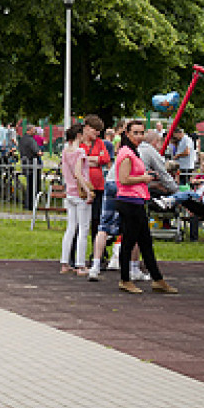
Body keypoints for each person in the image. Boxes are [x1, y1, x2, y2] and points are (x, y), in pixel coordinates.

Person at [114, 120, 177, 295]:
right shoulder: (126, 153)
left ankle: (157, 279)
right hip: (129, 201)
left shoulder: (132, 151)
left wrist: (144, 177)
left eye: (141, 133)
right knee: (129, 242)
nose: (139, 136)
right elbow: (124, 179)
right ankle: (125, 279)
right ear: (127, 133)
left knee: (145, 242)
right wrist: (144, 178)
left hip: (136, 200)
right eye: (135, 132)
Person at [73, 115, 110, 266]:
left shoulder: (100, 143)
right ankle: (73, 255)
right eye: (95, 130)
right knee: (79, 223)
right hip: (82, 188)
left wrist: (89, 159)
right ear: (86, 128)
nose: (98, 134)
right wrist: (94, 159)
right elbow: (77, 161)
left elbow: (105, 159)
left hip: (98, 187)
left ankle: (98, 255)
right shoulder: (79, 144)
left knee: (97, 222)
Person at [59, 124, 93, 276]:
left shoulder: (65, 151)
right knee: (83, 229)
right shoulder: (80, 151)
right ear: (79, 135)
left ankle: (65, 263)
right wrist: (88, 191)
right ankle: (80, 264)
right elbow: (79, 173)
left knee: (70, 228)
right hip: (80, 195)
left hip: (70, 193)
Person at [18, 123, 42, 210]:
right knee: (34, 185)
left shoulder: (22, 139)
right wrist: (40, 152)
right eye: (33, 130)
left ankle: (27, 203)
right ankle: (32, 204)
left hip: (25, 164)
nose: (34, 131)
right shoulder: (31, 140)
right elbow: (37, 151)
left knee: (29, 185)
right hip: (33, 164)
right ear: (29, 130)